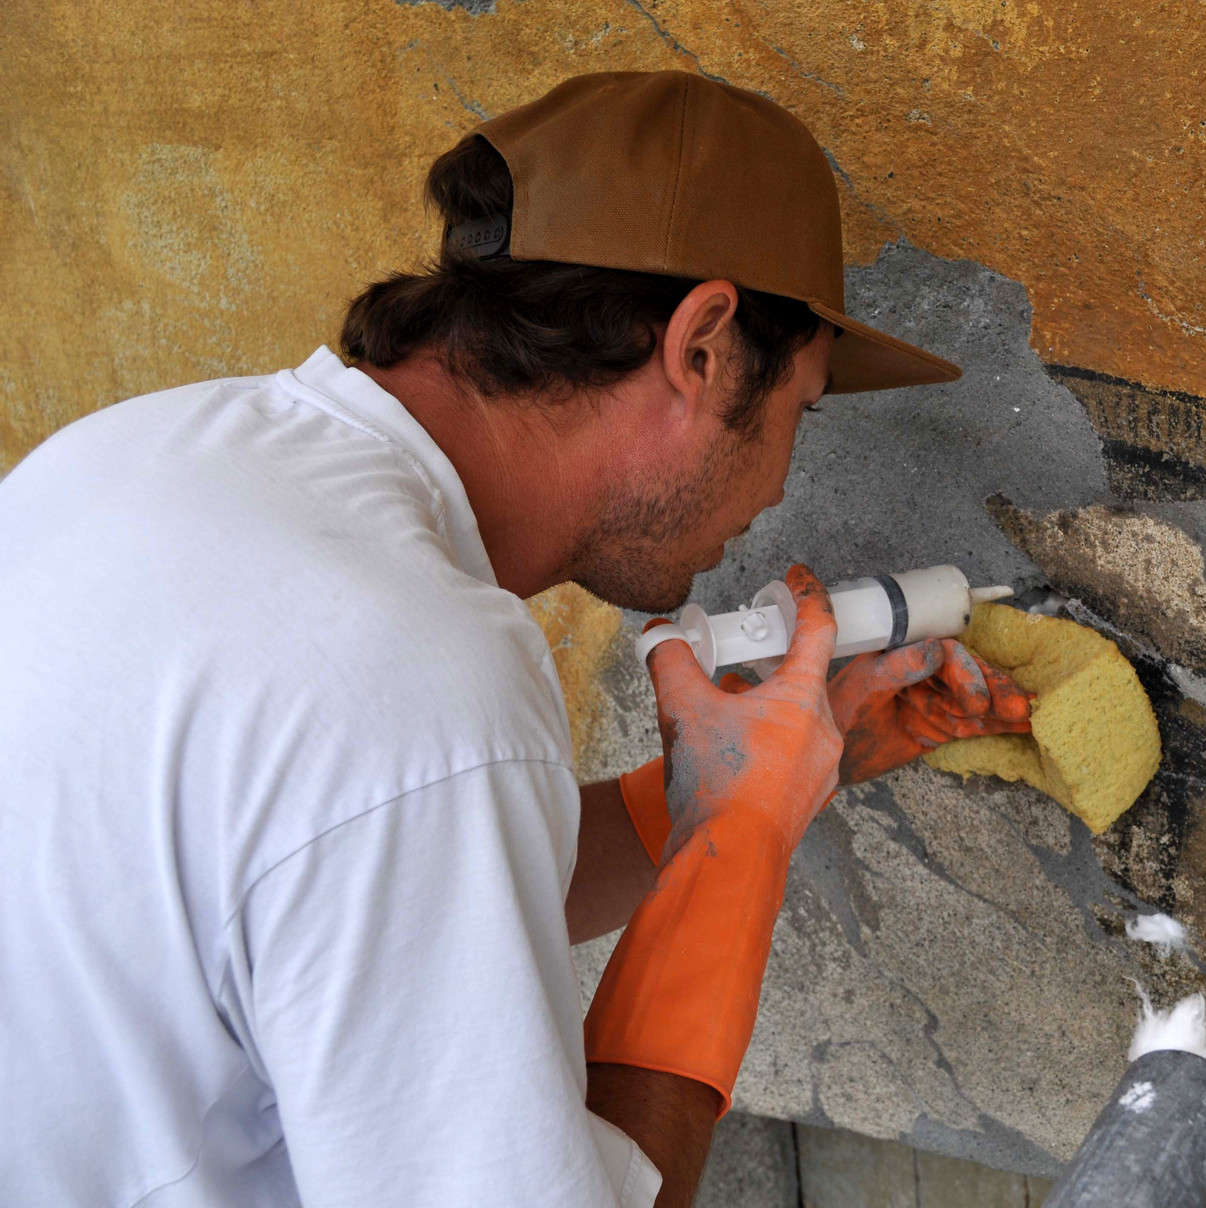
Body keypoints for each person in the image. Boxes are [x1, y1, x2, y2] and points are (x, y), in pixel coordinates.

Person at [0, 71, 1031, 1208]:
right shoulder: (421, 670)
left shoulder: (139, 451)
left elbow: (360, 883)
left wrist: (699, 797)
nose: (780, 486)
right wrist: (735, 847)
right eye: (801, 408)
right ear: (701, 345)